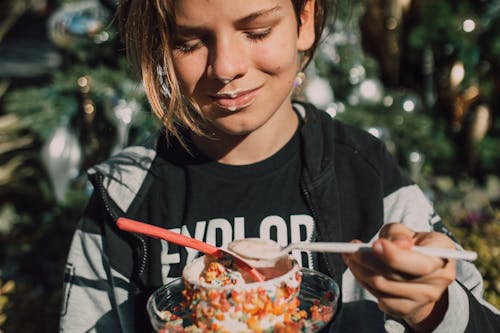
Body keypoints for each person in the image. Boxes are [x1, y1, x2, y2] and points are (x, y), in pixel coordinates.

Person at [59, 0, 500, 332]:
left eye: (257, 31)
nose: (227, 67)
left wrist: (431, 308)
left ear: (303, 20)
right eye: (188, 42)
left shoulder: (364, 172)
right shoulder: (125, 199)